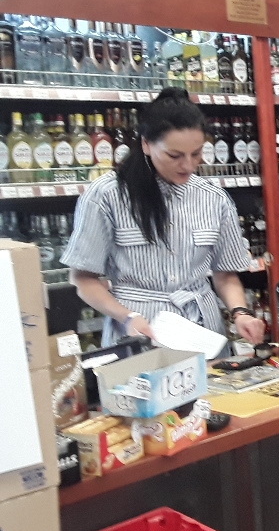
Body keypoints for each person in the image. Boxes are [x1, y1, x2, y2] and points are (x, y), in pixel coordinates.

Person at [62, 88, 266, 348]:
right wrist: (127, 317)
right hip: (139, 334)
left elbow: (225, 275)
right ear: (146, 144)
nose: (188, 165)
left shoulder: (214, 199)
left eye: (196, 153)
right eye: (175, 156)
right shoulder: (106, 195)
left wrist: (241, 313)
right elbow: (83, 279)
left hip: (203, 333)